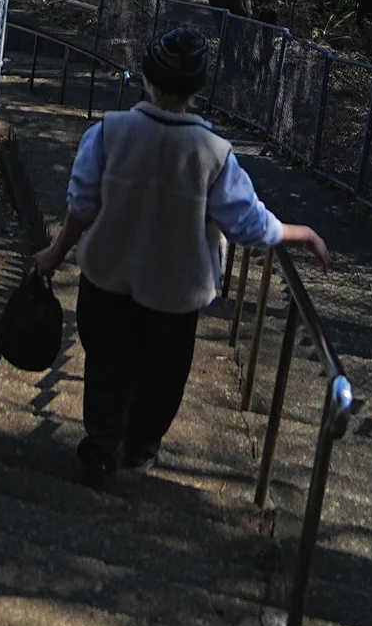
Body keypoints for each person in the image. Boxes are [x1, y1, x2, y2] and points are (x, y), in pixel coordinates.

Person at [32, 25, 330, 487]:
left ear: (147, 80)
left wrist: (54, 253)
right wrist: (300, 233)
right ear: (196, 90)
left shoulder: (109, 132)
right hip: (176, 294)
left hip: (107, 279)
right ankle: (140, 447)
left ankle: (100, 450)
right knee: (163, 379)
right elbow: (250, 224)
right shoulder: (214, 153)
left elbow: (81, 206)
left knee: (107, 364)